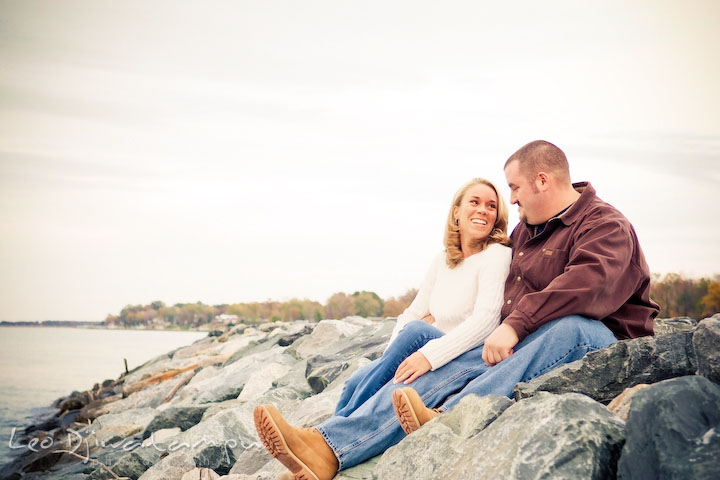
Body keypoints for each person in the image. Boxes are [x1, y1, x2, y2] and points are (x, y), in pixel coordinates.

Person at [392, 139, 659, 434]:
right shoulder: (525, 230)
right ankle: (402, 411)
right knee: (463, 345)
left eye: (514, 187)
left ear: (542, 180)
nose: (512, 199)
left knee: (570, 327)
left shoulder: (605, 225)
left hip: (607, 344)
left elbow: (583, 286)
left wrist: (515, 325)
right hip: (539, 334)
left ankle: (449, 417)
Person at [254, 177, 513, 480]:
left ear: (498, 216)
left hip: (459, 352)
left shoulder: (496, 254)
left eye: (491, 206)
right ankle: (319, 453)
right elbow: (412, 311)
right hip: (425, 347)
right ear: (456, 212)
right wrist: (391, 359)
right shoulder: (444, 260)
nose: (483, 210)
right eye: (475, 202)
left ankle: (320, 448)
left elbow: (485, 322)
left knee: (416, 333)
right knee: (357, 381)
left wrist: (426, 356)